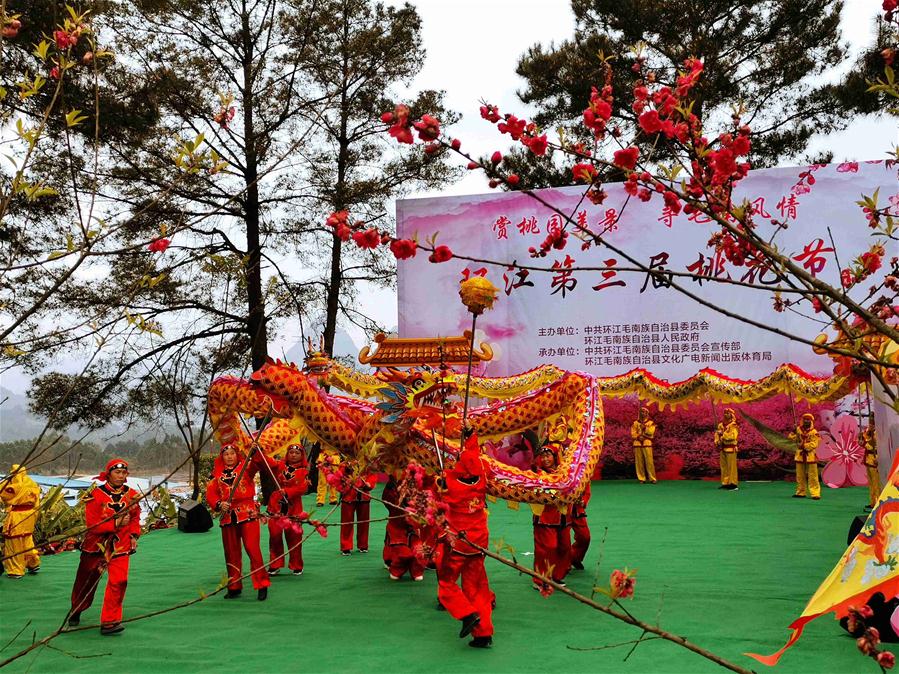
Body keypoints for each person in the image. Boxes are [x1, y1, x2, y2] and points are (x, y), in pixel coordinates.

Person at [68, 459, 141, 634]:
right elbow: (92, 524)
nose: (121, 476)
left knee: (120, 581)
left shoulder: (132, 495)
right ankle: (77, 608)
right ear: (108, 474)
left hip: (120, 545)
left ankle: (109, 622)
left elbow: (135, 517)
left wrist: (133, 534)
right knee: (86, 581)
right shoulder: (95, 495)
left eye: (124, 473)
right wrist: (116, 522)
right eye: (117, 472)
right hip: (96, 546)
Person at [436, 431, 495, 648]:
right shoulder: (482, 477)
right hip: (479, 542)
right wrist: (470, 435)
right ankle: (483, 634)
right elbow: (473, 456)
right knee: (477, 588)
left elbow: (436, 498)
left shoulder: (448, 482)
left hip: (459, 543)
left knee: (445, 584)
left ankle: (467, 615)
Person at [206, 444, 271, 600]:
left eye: (232, 453)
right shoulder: (216, 475)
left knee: (252, 548)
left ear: (237, 455)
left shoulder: (246, 468)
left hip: (247, 513)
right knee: (231, 552)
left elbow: (258, 464)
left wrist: (256, 452)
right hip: (228, 517)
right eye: (226, 454)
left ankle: (262, 584)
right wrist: (219, 504)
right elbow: (211, 494)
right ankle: (234, 586)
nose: (229, 456)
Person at [531, 447, 572, 590]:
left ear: (555, 457)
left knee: (565, 547)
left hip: (563, 516)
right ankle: (540, 579)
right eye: (543, 456)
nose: (545, 459)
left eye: (548, 456)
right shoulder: (537, 474)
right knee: (548, 547)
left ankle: (556, 576)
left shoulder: (565, 472)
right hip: (545, 516)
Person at [266, 444, 310, 576]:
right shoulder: (279, 465)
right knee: (274, 534)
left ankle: (296, 564)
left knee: (294, 536)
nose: (293, 455)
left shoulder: (304, 471)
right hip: (277, 506)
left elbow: (303, 488)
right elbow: (267, 462)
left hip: (294, 507)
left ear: (302, 456)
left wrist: (287, 491)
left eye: (297, 453)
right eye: (291, 452)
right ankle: (275, 564)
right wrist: (259, 450)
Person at [1, 464, 41, 578]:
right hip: (29, 516)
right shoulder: (32, 484)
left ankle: (16, 570)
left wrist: (7, 480)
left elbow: (3, 493)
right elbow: (37, 503)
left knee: (14, 543)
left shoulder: (15, 486)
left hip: (17, 516)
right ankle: (33, 563)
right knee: (27, 541)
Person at [382, 476, 425, 581]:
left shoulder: (418, 489)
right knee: (403, 554)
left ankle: (416, 570)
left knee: (419, 552)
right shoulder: (393, 488)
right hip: (397, 528)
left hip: (413, 529)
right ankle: (396, 568)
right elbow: (389, 502)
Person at [339, 463, 378, 555]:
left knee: (364, 522)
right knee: (347, 522)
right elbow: (339, 476)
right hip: (348, 496)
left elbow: (373, 474)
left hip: (364, 496)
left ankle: (363, 545)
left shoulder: (368, 461)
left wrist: (369, 484)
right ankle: (346, 546)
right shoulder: (345, 462)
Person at [789, 413, 821, 500]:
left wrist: (803, 446)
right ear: (802, 420)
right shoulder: (798, 429)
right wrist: (793, 431)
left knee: (813, 476)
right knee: (800, 475)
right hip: (799, 455)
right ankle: (800, 492)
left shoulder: (814, 432)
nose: (806, 421)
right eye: (805, 419)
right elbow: (791, 438)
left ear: (811, 421)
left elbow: (815, 444)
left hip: (810, 456)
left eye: (808, 419)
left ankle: (815, 493)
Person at [714, 408, 740, 490]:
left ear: (731, 415)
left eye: (728, 413)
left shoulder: (733, 425)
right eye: (725, 413)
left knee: (731, 467)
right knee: (724, 467)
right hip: (723, 448)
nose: (726, 414)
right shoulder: (720, 425)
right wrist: (717, 440)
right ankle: (725, 483)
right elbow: (717, 435)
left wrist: (723, 434)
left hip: (731, 449)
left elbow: (732, 436)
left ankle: (733, 483)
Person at [631, 406, 657, 484]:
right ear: (639, 413)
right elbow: (633, 434)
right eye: (642, 412)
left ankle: (652, 478)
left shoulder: (651, 423)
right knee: (639, 462)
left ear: (647, 414)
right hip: (637, 443)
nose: (643, 413)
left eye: (645, 412)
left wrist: (645, 428)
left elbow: (651, 432)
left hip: (647, 443)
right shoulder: (635, 423)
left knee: (649, 461)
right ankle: (641, 478)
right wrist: (638, 436)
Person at [570, 481, 591, 571]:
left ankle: (574, 558)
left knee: (585, 537)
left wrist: (584, 501)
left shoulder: (582, 471)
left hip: (577, 510)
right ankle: (562, 564)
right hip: (560, 510)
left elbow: (587, 490)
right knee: (562, 541)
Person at [861, 421, 880, 510]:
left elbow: (874, 445)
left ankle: (878, 502)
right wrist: (861, 440)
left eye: (872, 423)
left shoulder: (877, 432)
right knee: (871, 483)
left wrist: (865, 440)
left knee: (876, 483)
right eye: (870, 423)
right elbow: (863, 443)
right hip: (868, 459)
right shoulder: (868, 431)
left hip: (874, 458)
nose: (870, 425)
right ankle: (873, 502)